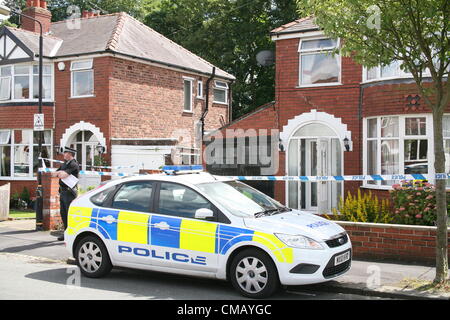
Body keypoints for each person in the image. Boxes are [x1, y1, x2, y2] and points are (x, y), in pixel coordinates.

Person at [52, 147, 79, 241]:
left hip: (69, 192)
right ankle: (66, 233)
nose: (63, 154)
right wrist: (59, 172)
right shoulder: (64, 164)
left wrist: (60, 173)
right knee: (63, 213)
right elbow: (54, 174)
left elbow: (63, 175)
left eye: (65, 152)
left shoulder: (73, 164)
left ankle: (72, 234)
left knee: (69, 214)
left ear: (70, 154)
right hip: (63, 191)